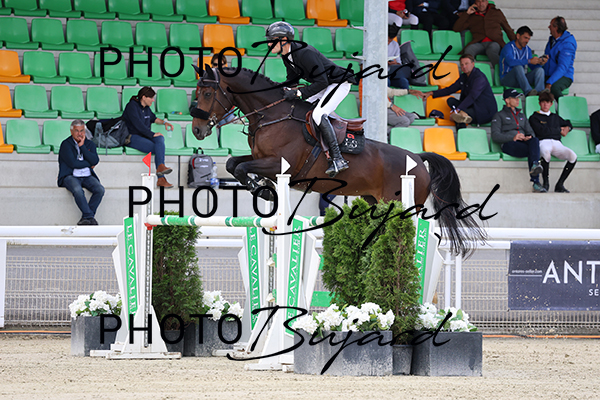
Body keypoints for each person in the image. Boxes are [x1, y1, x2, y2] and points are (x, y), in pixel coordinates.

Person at [266, 21, 358, 177]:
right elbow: (293, 80)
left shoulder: (304, 53)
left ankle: (338, 158)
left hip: (338, 83)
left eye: (271, 40)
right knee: (300, 108)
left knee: (318, 114)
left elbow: (321, 82)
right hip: (324, 84)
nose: (269, 44)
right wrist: (276, 90)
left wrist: (298, 94)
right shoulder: (286, 55)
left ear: (284, 40)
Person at [491, 89, 545, 192]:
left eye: (518, 98)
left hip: (523, 143)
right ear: (507, 100)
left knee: (534, 140)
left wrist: (527, 137)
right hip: (509, 144)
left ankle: (535, 166)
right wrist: (513, 137)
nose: (518, 100)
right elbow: (495, 136)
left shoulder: (521, 115)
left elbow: (531, 132)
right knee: (533, 152)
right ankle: (536, 181)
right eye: (515, 98)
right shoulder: (499, 115)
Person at [423, 54, 497, 129]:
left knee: (458, 116)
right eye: (462, 65)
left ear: (473, 64)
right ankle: (462, 115)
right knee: (450, 100)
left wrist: (459, 109)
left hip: (484, 111)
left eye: (466, 64)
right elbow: (450, 89)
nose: (464, 66)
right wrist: (431, 93)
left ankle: (461, 118)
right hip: (470, 107)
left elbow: (472, 96)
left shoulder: (480, 78)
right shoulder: (463, 77)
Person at [122, 86, 175, 188]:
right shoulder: (131, 106)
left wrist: (165, 123)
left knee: (160, 138)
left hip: (144, 136)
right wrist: (152, 134)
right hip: (131, 137)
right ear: (143, 97)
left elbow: (154, 119)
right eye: (151, 98)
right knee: (157, 147)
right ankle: (161, 177)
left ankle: (161, 169)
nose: (153, 100)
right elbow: (138, 125)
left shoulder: (146, 108)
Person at [57, 120, 105, 225]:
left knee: (100, 190)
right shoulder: (66, 144)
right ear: (71, 132)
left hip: (87, 176)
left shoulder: (89, 144)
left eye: (82, 131)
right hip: (71, 175)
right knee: (78, 190)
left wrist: (82, 146)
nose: (80, 133)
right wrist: (89, 163)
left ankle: (86, 217)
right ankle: (89, 217)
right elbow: (73, 163)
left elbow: (95, 160)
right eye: (77, 131)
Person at [529, 91, 576, 193]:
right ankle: (546, 183)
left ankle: (560, 184)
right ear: (539, 103)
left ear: (551, 104)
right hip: (543, 141)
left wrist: (567, 128)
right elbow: (541, 131)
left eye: (548, 102)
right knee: (546, 153)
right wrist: (558, 130)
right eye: (543, 102)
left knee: (573, 156)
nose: (545, 104)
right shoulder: (534, 117)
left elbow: (568, 123)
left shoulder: (555, 117)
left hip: (557, 143)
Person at [453, 0, 516, 66]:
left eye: (483, 1)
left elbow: (508, 30)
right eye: (478, 1)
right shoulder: (471, 15)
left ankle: (502, 70)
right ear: (475, 3)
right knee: (469, 50)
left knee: (492, 50)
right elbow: (456, 29)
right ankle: (470, 71)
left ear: (487, 2)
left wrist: (517, 45)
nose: (481, 4)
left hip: (494, 42)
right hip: (479, 43)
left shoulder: (496, 13)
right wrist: (467, 13)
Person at [499, 26, 545, 97]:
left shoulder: (527, 49)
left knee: (540, 70)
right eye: (525, 38)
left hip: (521, 80)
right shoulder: (508, 47)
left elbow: (532, 66)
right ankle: (528, 92)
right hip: (507, 79)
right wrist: (529, 61)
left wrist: (540, 63)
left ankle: (540, 93)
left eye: (528, 39)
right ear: (518, 36)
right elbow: (511, 62)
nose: (527, 41)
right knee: (518, 67)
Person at [540, 16, 577, 100]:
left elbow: (563, 67)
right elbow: (548, 57)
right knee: (537, 86)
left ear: (556, 27)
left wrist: (549, 82)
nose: (549, 27)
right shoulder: (552, 40)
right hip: (549, 74)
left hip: (564, 76)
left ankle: (564, 107)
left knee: (554, 88)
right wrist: (540, 61)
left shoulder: (567, 43)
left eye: (551, 25)